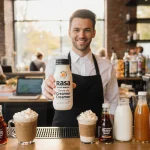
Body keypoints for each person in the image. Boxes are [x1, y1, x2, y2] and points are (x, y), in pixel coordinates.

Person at [42, 9, 119, 127]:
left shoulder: (107, 67)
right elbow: (48, 87)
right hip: (62, 134)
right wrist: (46, 88)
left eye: (87, 30)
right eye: (76, 30)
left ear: (94, 32)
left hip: (96, 135)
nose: (81, 35)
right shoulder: (55, 63)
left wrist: (110, 131)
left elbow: (114, 102)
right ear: (69, 32)